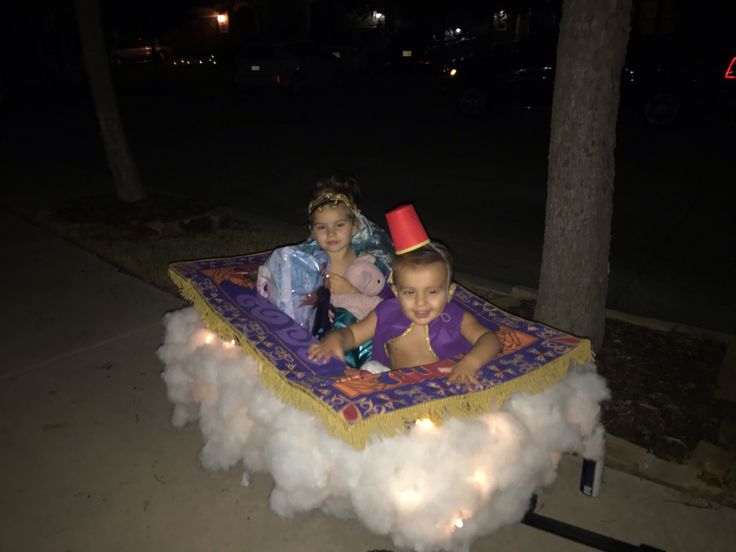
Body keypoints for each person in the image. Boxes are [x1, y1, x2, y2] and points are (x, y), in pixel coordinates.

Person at [307, 205, 502, 386]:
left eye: (432, 291)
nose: (421, 302)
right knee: (368, 374)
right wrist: (336, 339)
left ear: (449, 292)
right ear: (396, 292)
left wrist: (470, 363)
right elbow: (352, 333)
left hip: (445, 385)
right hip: (397, 390)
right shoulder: (386, 312)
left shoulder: (456, 318)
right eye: (409, 292)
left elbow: (489, 339)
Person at [257, 174, 393, 365]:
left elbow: (383, 299)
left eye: (339, 225)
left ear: (354, 227)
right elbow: (296, 302)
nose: (331, 233)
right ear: (312, 231)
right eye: (322, 227)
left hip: (360, 333)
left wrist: (352, 291)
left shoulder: (366, 260)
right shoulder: (310, 263)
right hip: (320, 333)